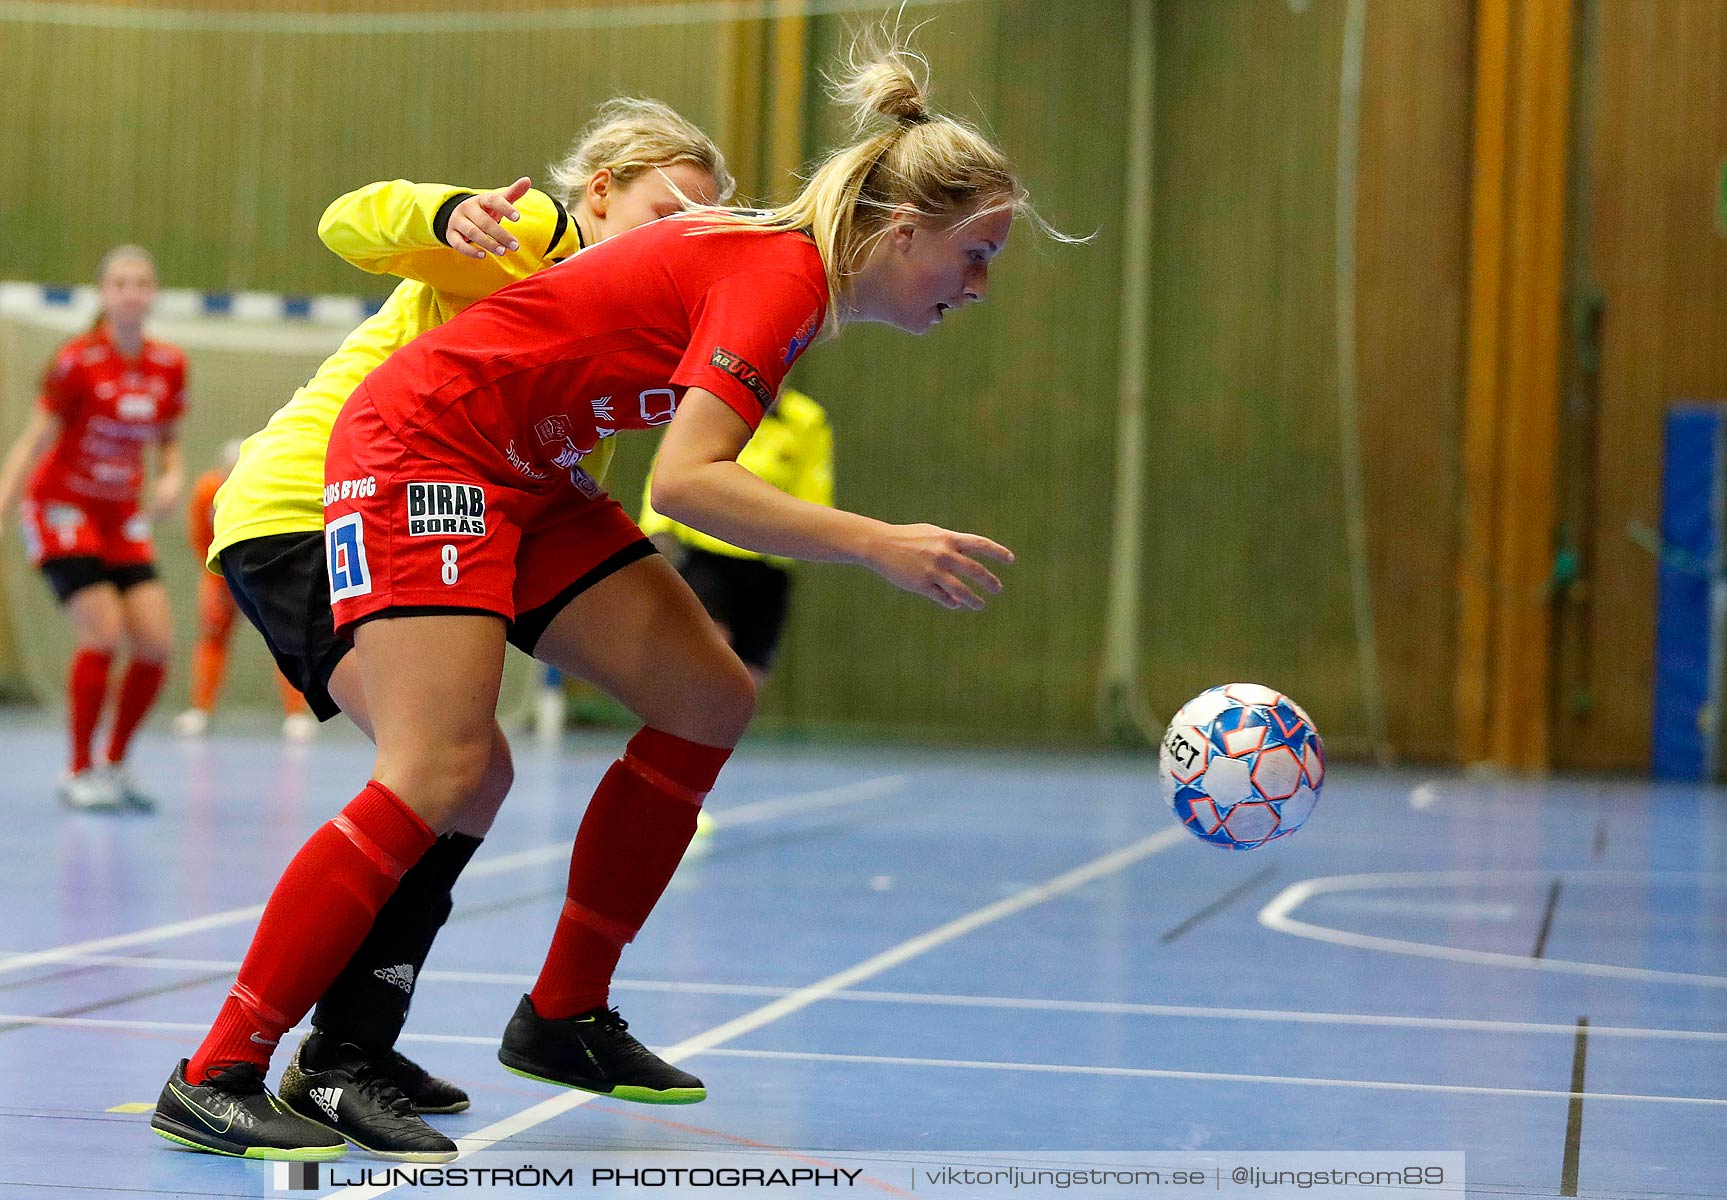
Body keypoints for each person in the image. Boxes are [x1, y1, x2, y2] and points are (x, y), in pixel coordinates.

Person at [154, 28, 1052, 1163]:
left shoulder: (779, 276)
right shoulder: (774, 277)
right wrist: (876, 543)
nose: (977, 287)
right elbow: (690, 483)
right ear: (904, 232)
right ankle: (218, 1067)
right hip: (427, 450)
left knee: (708, 697)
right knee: (442, 766)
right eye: (975, 257)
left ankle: (564, 1012)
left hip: (531, 475)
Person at [171, 100, 732, 1162]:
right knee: (450, 764)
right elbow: (351, 219)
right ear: (598, 194)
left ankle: (358, 1046)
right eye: (662, 209)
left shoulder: (658, 312)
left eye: (699, 225)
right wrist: (448, 212)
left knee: (482, 768)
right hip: (310, 503)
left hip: (489, 508)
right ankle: (240, 1068)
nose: (676, 238)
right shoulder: (532, 243)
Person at [0, 245, 183, 812]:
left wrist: (172, 476)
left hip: (120, 514)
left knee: (155, 643)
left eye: (142, 283)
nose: (132, 292)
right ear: (105, 294)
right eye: (121, 283)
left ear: (152, 294)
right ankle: (76, 770)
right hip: (62, 507)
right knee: (102, 633)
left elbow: (168, 438)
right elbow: (36, 439)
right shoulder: (76, 360)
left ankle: (115, 764)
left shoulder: (168, 364)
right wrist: (4, 505)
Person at [639, 385, 833, 688]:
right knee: (711, 653)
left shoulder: (808, 420)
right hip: (709, 553)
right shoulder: (711, 400)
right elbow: (670, 468)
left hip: (768, 564)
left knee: (747, 680)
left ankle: (713, 734)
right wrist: (658, 527)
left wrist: (819, 540)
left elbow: (814, 490)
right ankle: (682, 729)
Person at [173, 440, 315, 740]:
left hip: (263, 574)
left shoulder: (266, 489)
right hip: (220, 576)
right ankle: (201, 710)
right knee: (212, 637)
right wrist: (214, 574)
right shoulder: (205, 491)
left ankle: (296, 713)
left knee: (284, 640)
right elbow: (198, 535)